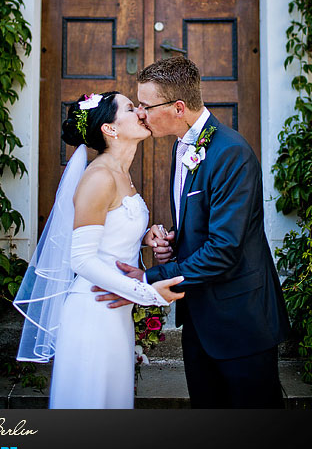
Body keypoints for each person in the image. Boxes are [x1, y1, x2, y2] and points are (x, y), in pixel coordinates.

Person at [100, 57, 290, 408]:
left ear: (178, 107)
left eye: (146, 105)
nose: (141, 113)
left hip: (241, 323)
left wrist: (148, 279)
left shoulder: (231, 153)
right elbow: (203, 222)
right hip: (200, 321)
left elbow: (224, 248)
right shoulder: (182, 147)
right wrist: (176, 240)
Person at [14, 91, 184, 408]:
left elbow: (111, 231)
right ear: (110, 129)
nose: (142, 113)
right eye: (132, 109)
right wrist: (148, 292)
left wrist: (146, 235)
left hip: (115, 315)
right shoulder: (100, 177)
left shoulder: (121, 173)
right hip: (91, 313)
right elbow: (81, 258)